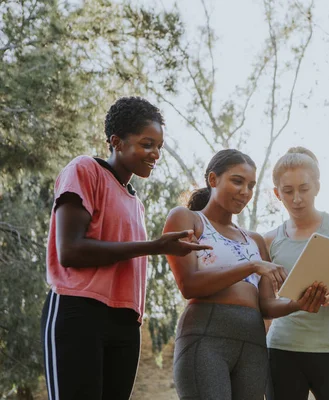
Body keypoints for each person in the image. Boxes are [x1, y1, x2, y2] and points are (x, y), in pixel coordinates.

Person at [41, 97, 209, 400]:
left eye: (159, 146)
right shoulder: (85, 170)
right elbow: (71, 250)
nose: (156, 154)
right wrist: (153, 247)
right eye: (147, 144)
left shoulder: (135, 202)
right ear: (116, 142)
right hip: (79, 312)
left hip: (124, 322)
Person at [164, 149, 312, 400]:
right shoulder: (188, 219)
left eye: (251, 185)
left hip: (253, 344)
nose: (245, 191)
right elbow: (189, 285)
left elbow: (266, 305)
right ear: (213, 180)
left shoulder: (254, 240)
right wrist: (251, 266)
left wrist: (299, 303)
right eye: (237, 181)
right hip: (205, 337)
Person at [260, 147, 329, 400]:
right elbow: (266, 309)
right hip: (281, 350)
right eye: (288, 191)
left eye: (304, 188)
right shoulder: (268, 241)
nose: (297, 198)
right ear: (278, 193)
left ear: (318, 187)